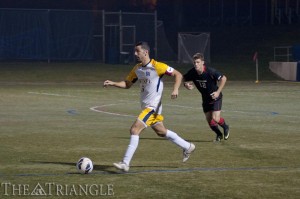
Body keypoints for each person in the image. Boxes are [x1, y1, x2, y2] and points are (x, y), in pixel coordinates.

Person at [103, 41, 195, 172]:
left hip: (153, 107)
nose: (135, 54)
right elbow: (127, 84)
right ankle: (187, 146)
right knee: (161, 132)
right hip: (147, 107)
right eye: (135, 51)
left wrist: (175, 89)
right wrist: (113, 83)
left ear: (145, 52)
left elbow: (178, 74)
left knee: (134, 130)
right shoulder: (137, 69)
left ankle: (125, 163)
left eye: (137, 51)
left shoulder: (158, 66)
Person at [183, 53, 229, 142]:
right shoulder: (192, 72)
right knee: (210, 121)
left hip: (216, 97)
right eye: (194, 62)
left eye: (198, 62)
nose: (196, 64)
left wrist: (217, 92)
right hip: (205, 99)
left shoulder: (210, 71)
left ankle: (226, 127)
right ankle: (219, 134)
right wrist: (185, 84)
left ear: (202, 62)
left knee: (216, 118)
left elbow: (224, 78)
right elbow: (183, 77)